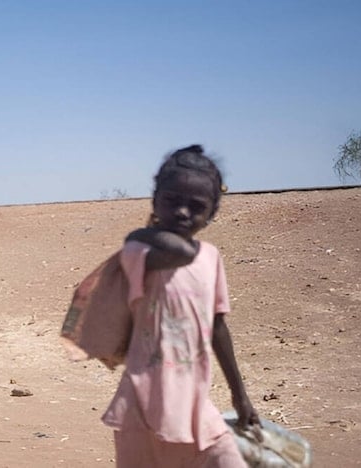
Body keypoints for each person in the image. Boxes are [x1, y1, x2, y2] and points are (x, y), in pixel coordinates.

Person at [102, 145, 258, 467]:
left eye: (196, 206)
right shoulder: (138, 250)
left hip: (194, 406)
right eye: (173, 201)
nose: (184, 212)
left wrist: (240, 397)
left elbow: (217, 328)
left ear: (213, 212)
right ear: (155, 199)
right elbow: (181, 252)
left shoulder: (212, 259)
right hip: (141, 407)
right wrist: (143, 229)